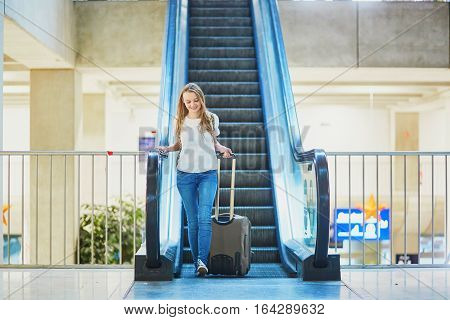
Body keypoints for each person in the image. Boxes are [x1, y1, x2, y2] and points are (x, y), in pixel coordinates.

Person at [156, 83, 233, 276]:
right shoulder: (180, 120)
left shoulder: (211, 118)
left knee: (204, 218)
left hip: (208, 173)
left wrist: (223, 149)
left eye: (196, 100)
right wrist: (167, 149)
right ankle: (197, 260)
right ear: (183, 102)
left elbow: (214, 143)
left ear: (201, 99)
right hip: (185, 174)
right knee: (192, 221)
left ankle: (202, 261)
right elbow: (180, 144)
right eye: (188, 101)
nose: (193, 104)